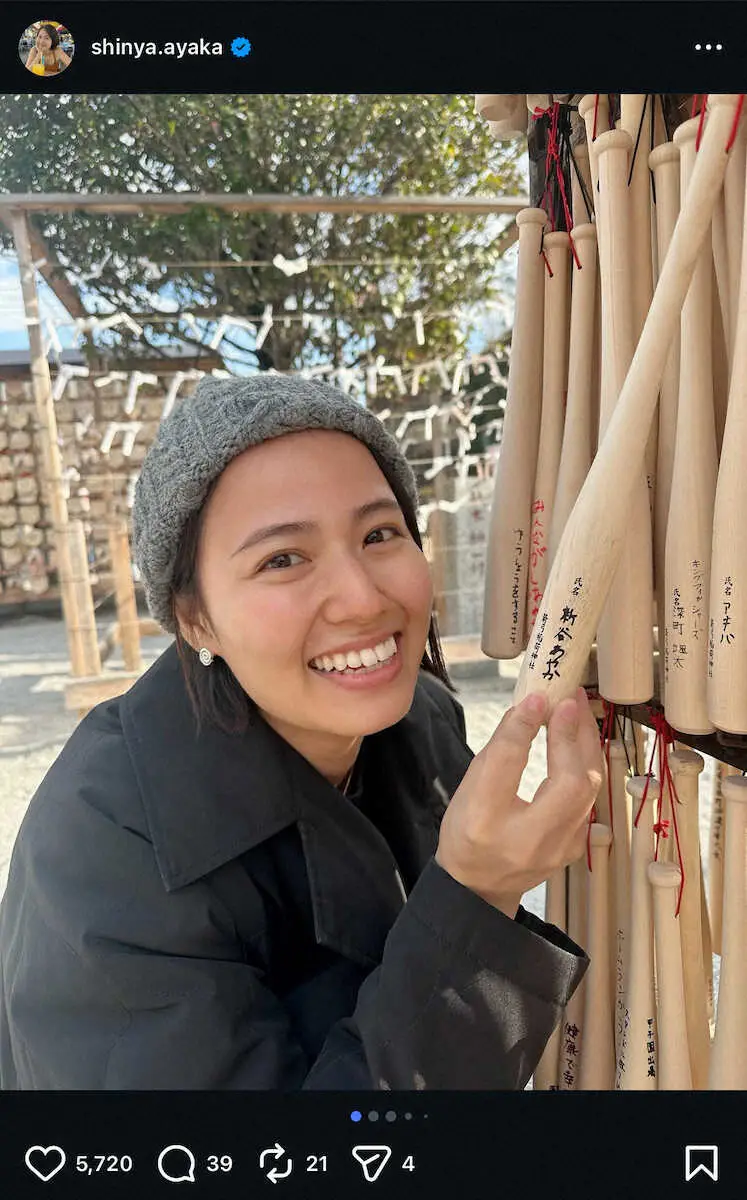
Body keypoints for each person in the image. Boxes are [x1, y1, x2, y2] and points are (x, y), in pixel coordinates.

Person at [0, 376, 602, 1090]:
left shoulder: (420, 723)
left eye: (379, 535)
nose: (361, 598)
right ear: (195, 619)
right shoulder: (106, 848)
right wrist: (477, 899)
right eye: (282, 558)